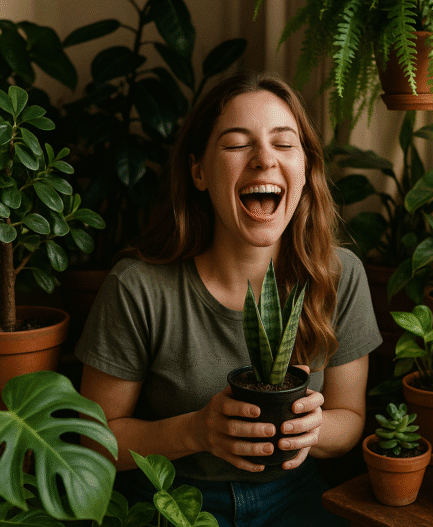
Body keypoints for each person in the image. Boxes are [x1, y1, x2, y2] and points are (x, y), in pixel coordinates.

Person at [75, 71, 382, 526]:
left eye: (284, 143)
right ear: (198, 171)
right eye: (237, 144)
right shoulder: (138, 287)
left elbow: (350, 419)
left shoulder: (339, 275)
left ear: (306, 167)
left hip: (293, 497)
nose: (263, 160)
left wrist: (312, 429)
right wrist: (197, 431)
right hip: (170, 499)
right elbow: (95, 442)